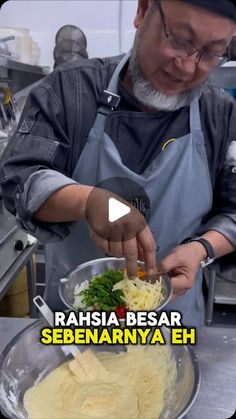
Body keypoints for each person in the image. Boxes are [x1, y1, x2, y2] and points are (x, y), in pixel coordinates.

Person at [1, 0, 236, 326]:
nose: (187, 66)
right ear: (142, 11)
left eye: (211, 52)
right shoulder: (70, 90)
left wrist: (201, 249)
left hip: (173, 329)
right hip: (76, 329)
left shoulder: (220, 114)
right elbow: (20, 181)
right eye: (180, 40)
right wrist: (88, 201)